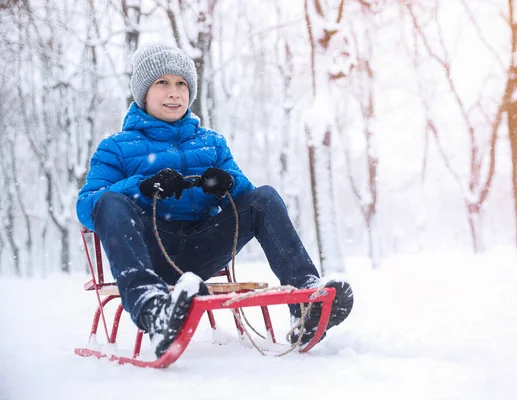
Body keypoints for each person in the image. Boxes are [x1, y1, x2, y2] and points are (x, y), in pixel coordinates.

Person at [76, 44, 353, 358]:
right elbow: (87, 207)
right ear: (143, 92)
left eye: (181, 83)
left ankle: (307, 303)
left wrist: (226, 183)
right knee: (109, 200)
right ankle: (154, 311)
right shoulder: (116, 147)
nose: (174, 92)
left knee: (264, 198)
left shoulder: (212, 143)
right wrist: (143, 187)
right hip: (149, 251)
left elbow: (248, 198)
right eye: (162, 83)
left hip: (203, 248)